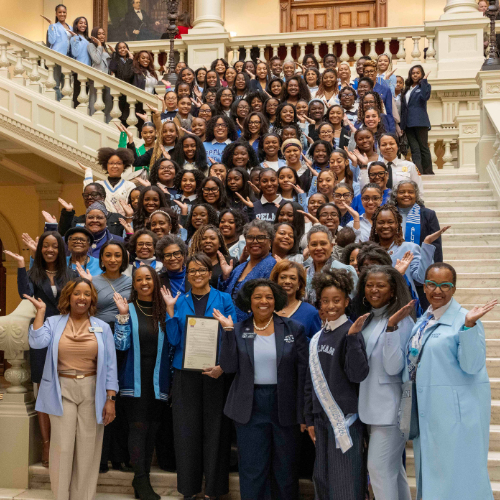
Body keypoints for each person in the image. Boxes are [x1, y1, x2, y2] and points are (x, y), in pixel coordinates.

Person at [402, 262, 496, 500]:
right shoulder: (426, 318)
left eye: (445, 285)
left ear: (454, 289)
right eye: (432, 284)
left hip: (456, 417)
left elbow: (473, 365)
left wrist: (469, 327)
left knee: (459, 478)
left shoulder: (465, 319)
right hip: (430, 411)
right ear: (424, 287)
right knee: (436, 476)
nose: (438, 290)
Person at [216, 279, 308, 500]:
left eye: (269, 297)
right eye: (258, 296)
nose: (263, 301)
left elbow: (303, 373)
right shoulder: (238, 329)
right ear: (249, 301)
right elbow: (228, 367)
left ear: (276, 300)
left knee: (285, 468)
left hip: (284, 404)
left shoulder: (294, 329)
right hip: (249, 405)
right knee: (252, 468)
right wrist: (227, 332)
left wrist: (305, 412)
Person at [27, 277, 118, 500]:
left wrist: (111, 398)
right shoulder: (54, 322)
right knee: (62, 448)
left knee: (88, 449)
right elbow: (37, 342)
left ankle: (83, 497)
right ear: (69, 296)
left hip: (92, 389)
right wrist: (40, 312)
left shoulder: (102, 327)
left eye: (87, 294)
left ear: (92, 300)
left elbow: (110, 366)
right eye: (77, 293)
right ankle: (61, 496)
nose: (82, 298)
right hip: (61, 389)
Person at [163, 253, 236, 500]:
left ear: (209, 272)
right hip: (186, 374)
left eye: (201, 270)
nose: (196, 274)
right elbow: (173, 340)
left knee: (216, 432)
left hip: (216, 374)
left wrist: (222, 366)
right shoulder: (179, 301)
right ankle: (189, 489)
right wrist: (171, 312)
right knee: (186, 432)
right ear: (187, 273)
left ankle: (214, 491)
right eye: (192, 270)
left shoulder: (224, 299)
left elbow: (231, 335)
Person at [5, 232, 76, 469]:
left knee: (66, 388)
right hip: (42, 333)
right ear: (40, 249)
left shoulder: (71, 273)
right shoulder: (34, 273)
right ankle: (47, 443)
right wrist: (21, 265)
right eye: (46, 246)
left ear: (60, 249)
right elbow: (24, 293)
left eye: (54, 246)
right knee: (43, 389)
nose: (50, 250)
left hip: (67, 333)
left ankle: (64, 442)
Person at [350, 265, 416, 500]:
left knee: (378, 469)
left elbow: (393, 368)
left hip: (391, 410)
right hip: (371, 408)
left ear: (393, 291)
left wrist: (391, 329)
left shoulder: (401, 320)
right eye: (369, 285)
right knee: (392, 472)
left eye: (381, 285)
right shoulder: (367, 319)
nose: (374, 290)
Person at [113, 266, 178, 500]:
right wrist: (121, 316)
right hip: (133, 379)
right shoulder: (127, 309)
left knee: (152, 430)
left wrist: (171, 311)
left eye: (148, 278)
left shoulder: (164, 310)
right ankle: (141, 481)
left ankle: (143, 476)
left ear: (155, 281)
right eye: (138, 279)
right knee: (138, 428)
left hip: (159, 381)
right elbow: (120, 346)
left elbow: (175, 342)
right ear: (134, 283)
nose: (143, 283)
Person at [305, 268, 369, 500]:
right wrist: (310, 417)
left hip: (345, 420)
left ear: (346, 301)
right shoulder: (317, 337)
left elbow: (358, 375)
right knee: (322, 479)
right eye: (325, 301)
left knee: (345, 482)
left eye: (336, 300)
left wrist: (352, 339)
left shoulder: (352, 332)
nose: (330, 306)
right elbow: (309, 381)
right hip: (321, 419)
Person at [90, 240, 132, 474]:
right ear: (102, 258)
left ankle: (120, 457)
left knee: (121, 400)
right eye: (108, 255)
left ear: (123, 258)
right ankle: (101, 457)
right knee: (102, 397)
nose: (113, 259)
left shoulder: (132, 282)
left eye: (117, 255)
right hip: (99, 341)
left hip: (125, 341)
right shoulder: (93, 282)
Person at [369, 204, 447, 297]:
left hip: (403, 303)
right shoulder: (368, 250)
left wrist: (426, 244)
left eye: (390, 222)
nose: (386, 226)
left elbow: (422, 278)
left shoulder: (410, 248)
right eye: (381, 222)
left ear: (397, 225)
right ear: (375, 226)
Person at [218, 219, 277, 322]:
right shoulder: (240, 267)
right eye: (250, 237)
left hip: (252, 327)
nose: (255, 241)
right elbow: (224, 295)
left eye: (261, 238)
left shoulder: (272, 265)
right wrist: (226, 276)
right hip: (229, 326)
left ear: (270, 242)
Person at [304, 225, 358, 304]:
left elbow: (354, 304)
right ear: (308, 247)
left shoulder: (346, 271)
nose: (318, 248)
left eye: (323, 243)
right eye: (314, 244)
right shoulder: (304, 273)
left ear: (332, 246)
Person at [271, 260, 321, 339]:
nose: (287, 281)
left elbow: (316, 344)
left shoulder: (311, 312)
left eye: (292, 278)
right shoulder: (266, 309)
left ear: (299, 284)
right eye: (283, 277)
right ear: (276, 281)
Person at [401, 65, 433, 175]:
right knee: (414, 149)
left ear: (422, 74)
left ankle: (428, 172)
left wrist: (424, 81)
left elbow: (425, 97)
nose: (415, 75)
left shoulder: (425, 86)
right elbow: (403, 107)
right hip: (408, 123)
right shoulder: (407, 88)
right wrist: (402, 125)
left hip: (420, 121)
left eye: (417, 73)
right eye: (413, 73)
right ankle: (418, 172)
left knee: (423, 147)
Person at [57, 184, 123, 237]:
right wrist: (68, 212)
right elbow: (63, 234)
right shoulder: (78, 220)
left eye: (94, 194)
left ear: (103, 197)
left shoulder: (117, 218)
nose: (89, 198)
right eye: (86, 195)